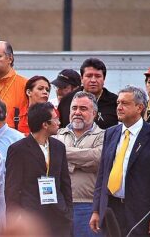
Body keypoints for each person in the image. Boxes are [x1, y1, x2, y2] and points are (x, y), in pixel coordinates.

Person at [90, 86, 150, 236]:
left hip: (141, 212)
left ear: (139, 107)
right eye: (117, 103)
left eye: (124, 103)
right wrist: (96, 210)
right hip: (110, 209)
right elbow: (102, 174)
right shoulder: (110, 133)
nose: (119, 107)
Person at [5, 102, 73, 237]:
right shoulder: (18, 150)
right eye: (55, 119)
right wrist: (15, 218)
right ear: (45, 124)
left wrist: (68, 211)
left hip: (58, 216)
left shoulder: (59, 146)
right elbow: (12, 188)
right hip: (31, 219)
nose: (59, 122)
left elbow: (65, 183)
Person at [54, 91, 104, 237]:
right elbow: (49, 158)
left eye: (83, 109)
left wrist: (62, 155)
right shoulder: (57, 134)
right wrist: (83, 160)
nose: (77, 112)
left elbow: (98, 158)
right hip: (60, 205)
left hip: (89, 207)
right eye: (74, 108)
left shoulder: (104, 135)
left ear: (94, 113)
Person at [58, 58, 118, 129]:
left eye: (98, 76)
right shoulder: (67, 101)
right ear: (81, 79)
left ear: (104, 79)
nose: (93, 80)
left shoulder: (115, 102)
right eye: (89, 76)